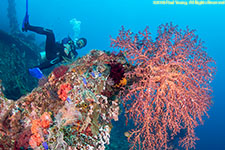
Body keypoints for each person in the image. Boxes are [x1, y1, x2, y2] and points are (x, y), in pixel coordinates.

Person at [22, 17, 87, 70]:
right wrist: (66, 47)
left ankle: (36, 68)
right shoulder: (69, 40)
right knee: (50, 33)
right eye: (80, 41)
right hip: (51, 48)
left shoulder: (75, 54)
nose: (79, 44)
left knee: (57, 59)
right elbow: (64, 40)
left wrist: (67, 51)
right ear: (77, 40)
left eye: (82, 44)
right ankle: (27, 26)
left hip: (52, 57)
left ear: (82, 47)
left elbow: (68, 60)